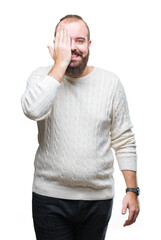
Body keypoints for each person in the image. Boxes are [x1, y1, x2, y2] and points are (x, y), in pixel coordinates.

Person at [21, 14, 140, 240]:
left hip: (98, 200)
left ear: (89, 45)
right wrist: (60, 64)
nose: (73, 48)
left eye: (79, 41)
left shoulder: (110, 83)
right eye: (66, 41)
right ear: (55, 44)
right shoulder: (41, 77)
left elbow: (124, 139)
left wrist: (132, 190)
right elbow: (33, 110)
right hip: (49, 198)